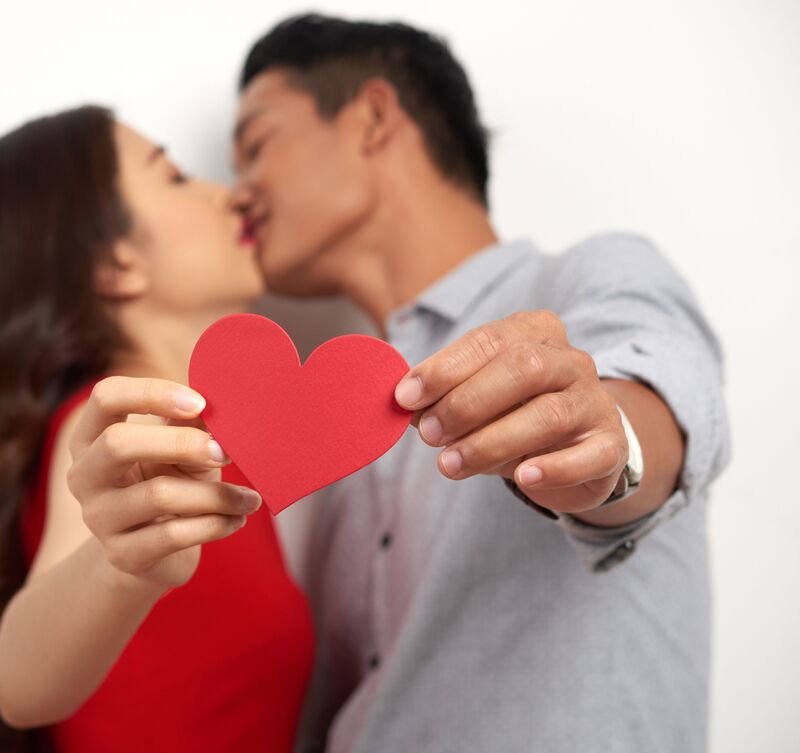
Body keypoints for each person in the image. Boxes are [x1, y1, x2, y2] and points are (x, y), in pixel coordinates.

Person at [230, 13, 731, 753]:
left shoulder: (584, 281)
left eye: (255, 147)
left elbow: (661, 387)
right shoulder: (328, 450)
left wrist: (605, 444)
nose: (238, 193)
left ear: (372, 118)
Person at [0, 106, 313, 753]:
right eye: (177, 177)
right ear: (116, 263)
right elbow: (19, 685)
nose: (231, 194)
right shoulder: (124, 431)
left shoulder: (200, 439)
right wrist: (119, 566)